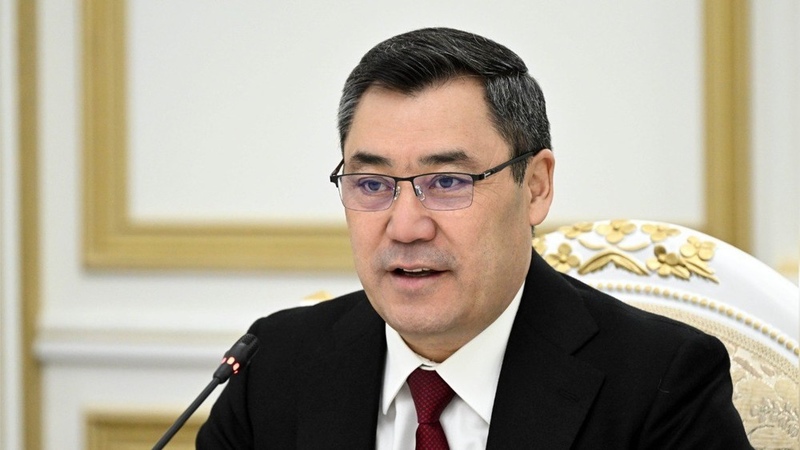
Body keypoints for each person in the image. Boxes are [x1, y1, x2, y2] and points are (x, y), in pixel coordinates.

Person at [197, 27, 752, 449]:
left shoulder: (660, 382)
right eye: (371, 184)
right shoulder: (273, 365)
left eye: (448, 182)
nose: (405, 227)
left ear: (535, 187)